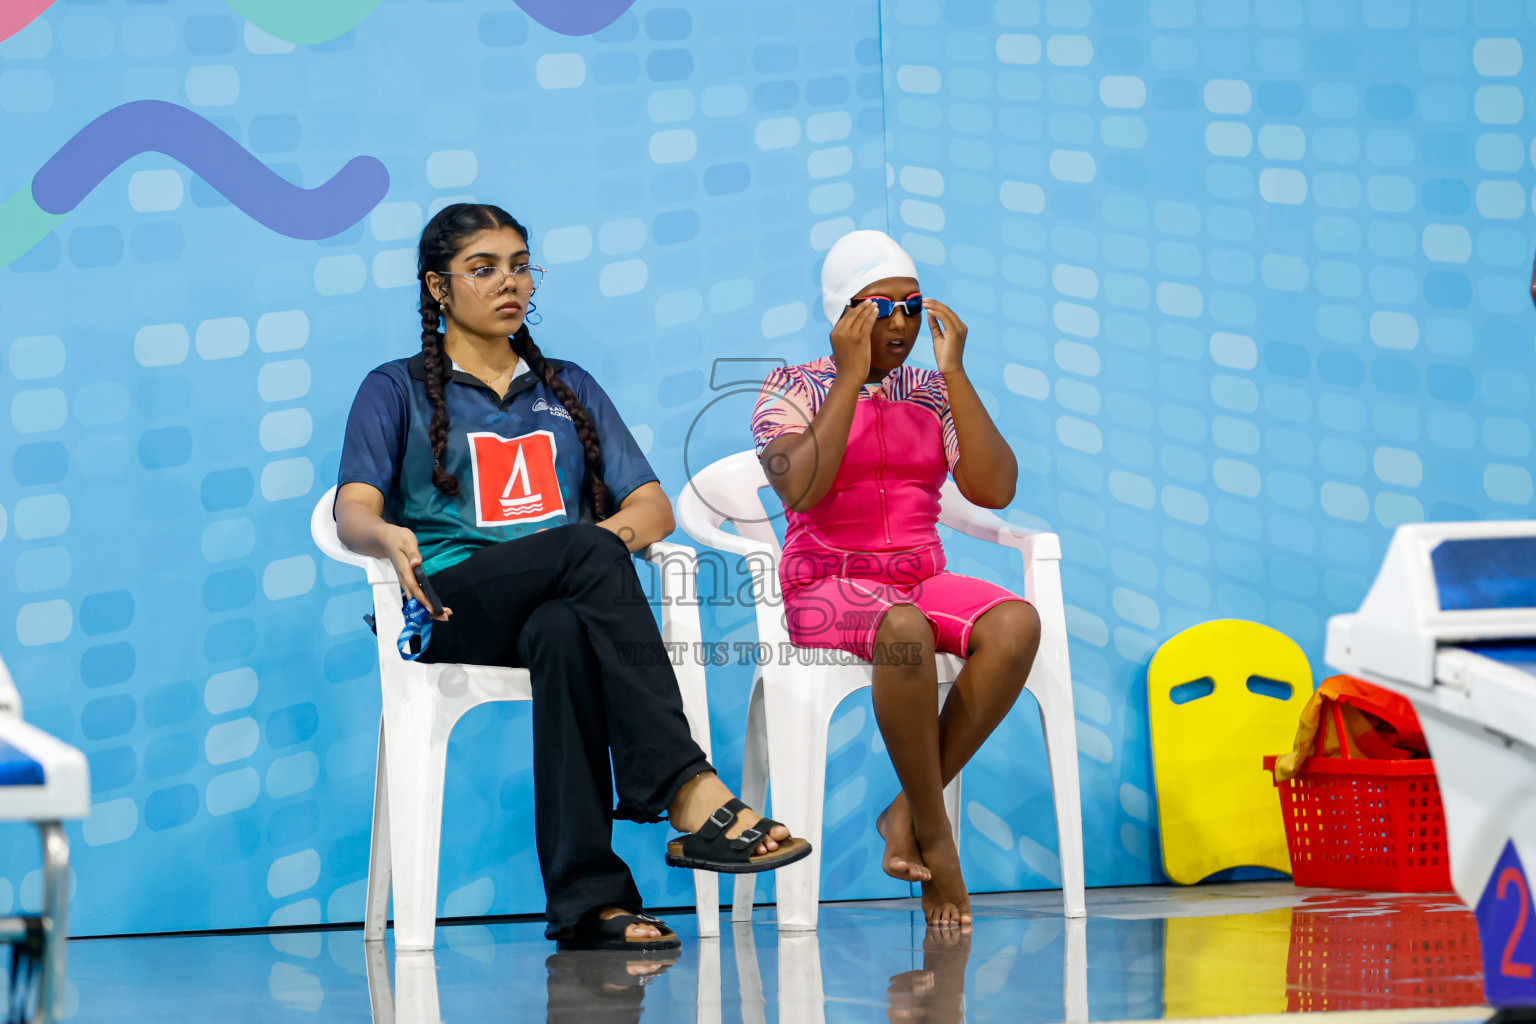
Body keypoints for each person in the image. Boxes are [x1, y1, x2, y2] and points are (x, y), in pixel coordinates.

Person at [335, 203, 809, 952]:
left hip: (551, 606)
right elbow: (351, 509)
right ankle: (686, 789)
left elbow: (651, 507)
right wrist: (384, 532)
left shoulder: (568, 386)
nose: (509, 282)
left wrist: (593, 553)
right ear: (437, 287)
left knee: (566, 623)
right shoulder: (394, 388)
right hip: (451, 602)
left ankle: (591, 906)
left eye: (520, 265)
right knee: (587, 550)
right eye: (483, 268)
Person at [750, 230, 1040, 926]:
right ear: (841, 314)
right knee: (903, 630)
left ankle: (909, 811)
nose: (902, 325)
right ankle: (940, 843)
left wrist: (957, 374)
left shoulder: (930, 393)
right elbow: (802, 492)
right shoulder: (792, 388)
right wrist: (849, 378)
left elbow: (994, 488)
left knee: (1015, 623)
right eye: (881, 309)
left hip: (917, 576)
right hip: (827, 582)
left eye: (912, 306)